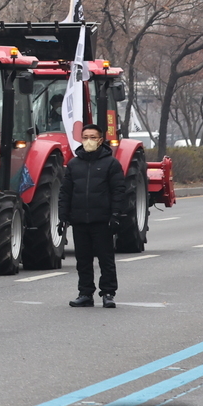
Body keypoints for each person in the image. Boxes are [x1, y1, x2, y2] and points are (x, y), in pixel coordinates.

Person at [60, 123, 127, 308]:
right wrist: (63, 216)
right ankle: (85, 293)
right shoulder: (74, 164)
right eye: (85, 137)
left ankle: (108, 293)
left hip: (102, 220)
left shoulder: (111, 163)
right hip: (80, 220)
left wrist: (115, 215)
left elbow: (118, 191)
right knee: (83, 260)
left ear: (100, 140)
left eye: (93, 137)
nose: (88, 141)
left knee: (106, 259)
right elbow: (65, 192)